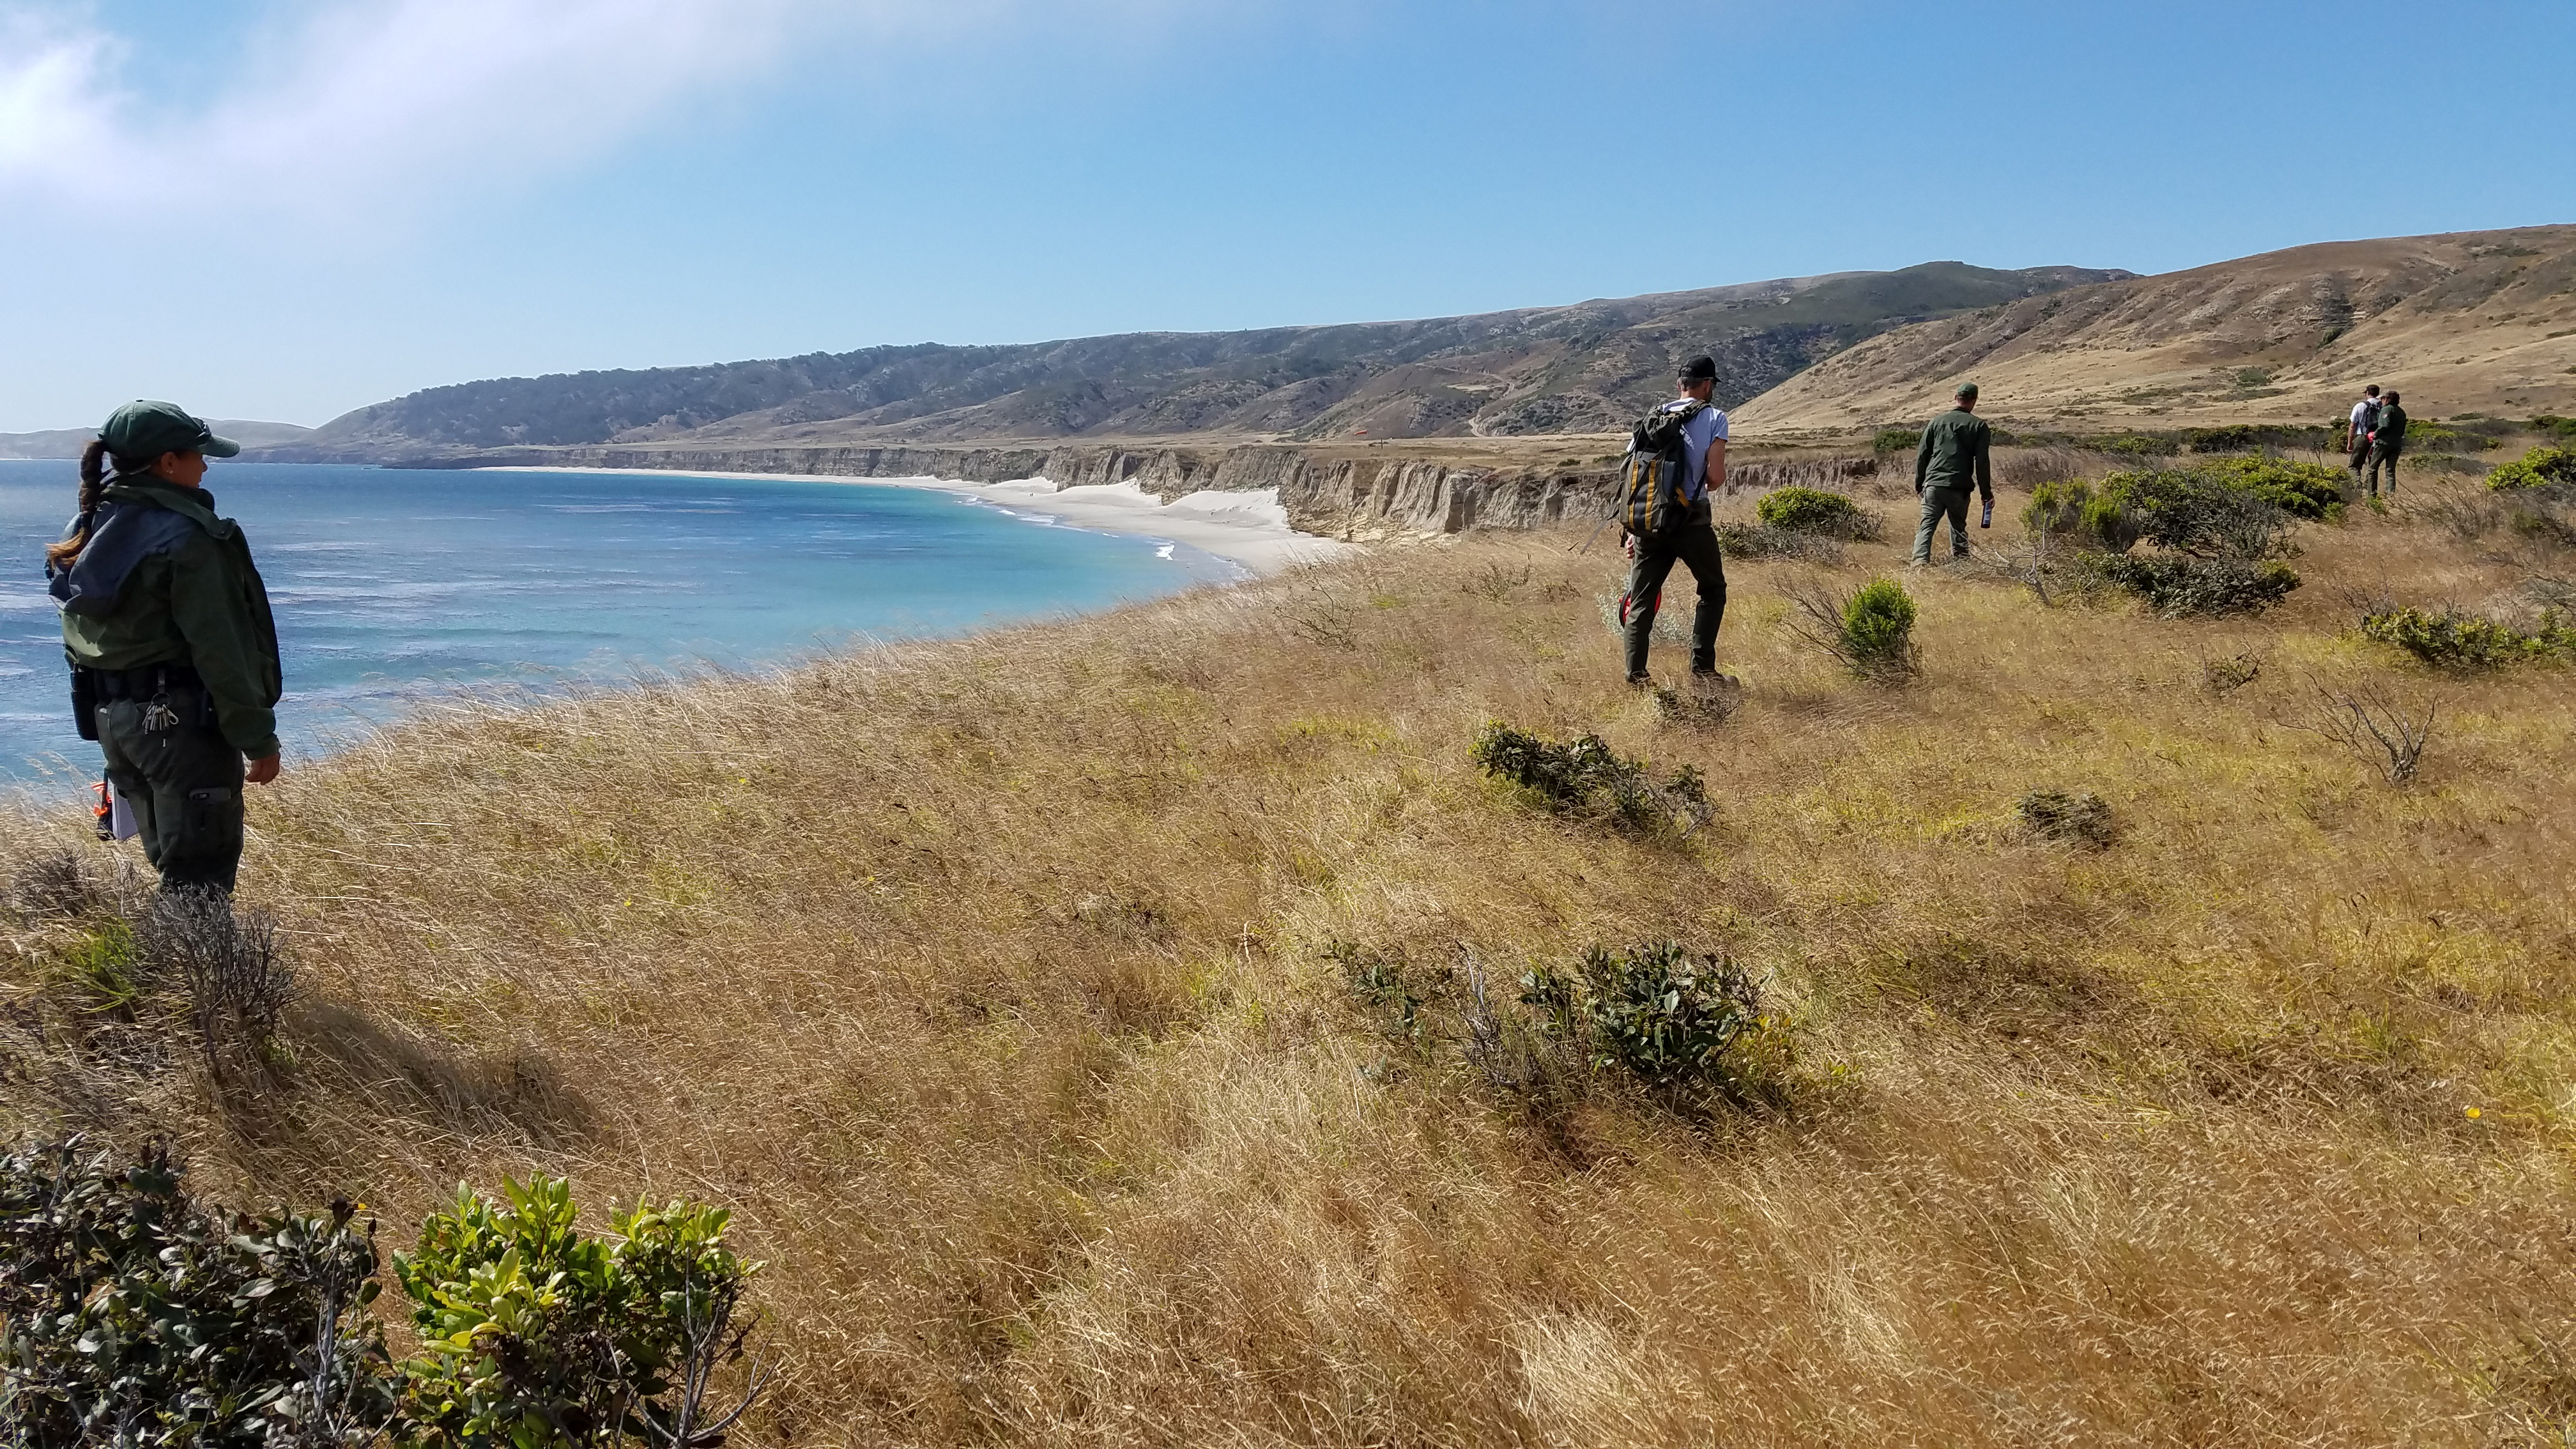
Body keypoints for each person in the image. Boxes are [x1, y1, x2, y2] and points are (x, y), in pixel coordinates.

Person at [49, 401, 283, 896]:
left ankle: (167, 962)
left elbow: (78, 632)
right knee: (199, 878)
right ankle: (189, 973)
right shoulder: (189, 535)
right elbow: (221, 646)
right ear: (168, 463)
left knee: (171, 863)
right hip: (180, 726)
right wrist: (256, 736)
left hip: (117, 721)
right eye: (198, 455)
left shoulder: (89, 525)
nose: (204, 465)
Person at [1620, 356, 1730, 686]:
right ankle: (1703, 672)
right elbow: (1715, 477)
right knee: (1713, 590)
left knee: (1640, 601)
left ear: (1679, 385)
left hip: (1649, 521)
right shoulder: (1714, 417)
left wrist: (1632, 530)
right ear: (1708, 385)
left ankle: (1636, 677)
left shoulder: (1651, 419)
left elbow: (1632, 477)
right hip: (1691, 520)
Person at [1910, 382, 1994, 565]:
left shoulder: (1936, 422)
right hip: (1959, 486)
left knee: (1927, 525)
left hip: (1933, 484)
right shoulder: (1979, 426)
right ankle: (1962, 563)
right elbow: (1982, 463)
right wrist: (1986, 494)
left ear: (1956, 398)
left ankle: (1919, 562)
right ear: (1974, 401)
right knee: (1958, 526)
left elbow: (1923, 454)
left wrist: (1919, 482)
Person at [2365, 390, 2407, 498]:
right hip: (2397, 444)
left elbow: (2384, 426)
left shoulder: (2387, 410)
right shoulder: (2401, 412)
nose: (2381, 401)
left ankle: (2372, 495)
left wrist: (2375, 435)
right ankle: (2390, 495)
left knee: (2373, 469)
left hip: (2383, 444)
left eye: (2383, 399)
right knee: (2390, 471)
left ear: (2387, 399)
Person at [2345, 384, 2382, 479]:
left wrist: (2349, 443)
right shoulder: (2383, 407)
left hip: (2363, 436)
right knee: (2373, 467)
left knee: (2354, 466)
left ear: (2367, 393)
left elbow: (2353, 426)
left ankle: (2357, 488)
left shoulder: (2360, 406)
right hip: (2379, 437)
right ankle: (2370, 489)